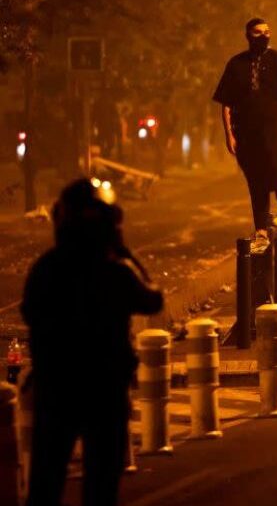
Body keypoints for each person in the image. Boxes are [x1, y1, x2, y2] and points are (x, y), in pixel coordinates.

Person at [21, 178, 163, 506]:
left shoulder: (46, 269)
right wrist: (126, 252)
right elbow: (153, 299)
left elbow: (31, 314)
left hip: (56, 389)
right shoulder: (116, 271)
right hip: (105, 392)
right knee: (101, 485)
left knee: (46, 482)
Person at [213, 17, 277, 252]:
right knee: (256, 181)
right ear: (248, 35)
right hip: (247, 133)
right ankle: (261, 230)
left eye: (267, 32)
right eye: (258, 32)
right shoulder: (236, 65)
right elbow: (226, 103)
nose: (264, 36)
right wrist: (229, 134)